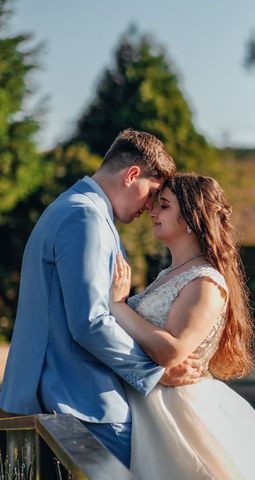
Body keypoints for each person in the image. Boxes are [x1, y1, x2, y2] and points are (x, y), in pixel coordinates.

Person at [0, 129, 201, 467]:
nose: (150, 206)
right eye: (152, 193)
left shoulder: (69, 207)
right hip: (83, 404)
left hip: (63, 399)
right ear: (132, 174)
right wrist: (154, 372)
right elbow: (90, 322)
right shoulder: (85, 218)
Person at [109, 172, 255, 479]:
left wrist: (118, 307)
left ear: (190, 219)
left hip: (178, 410)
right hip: (152, 402)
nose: (153, 211)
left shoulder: (204, 281)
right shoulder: (170, 274)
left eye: (164, 206)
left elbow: (172, 351)